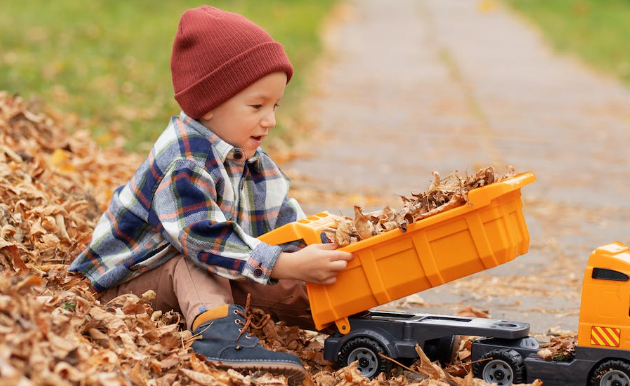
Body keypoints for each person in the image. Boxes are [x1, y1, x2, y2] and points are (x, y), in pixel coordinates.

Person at [68, 5, 353, 385]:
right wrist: (282, 265)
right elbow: (199, 237)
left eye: (275, 106)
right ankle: (218, 337)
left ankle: (366, 329)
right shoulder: (185, 158)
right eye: (257, 106)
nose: (270, 120)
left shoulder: (251, 156)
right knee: (197, 258)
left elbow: (284, 226)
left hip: (204, 273)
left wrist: (315, 255)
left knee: (292, 274)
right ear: (210, 104)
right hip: (128, 283)